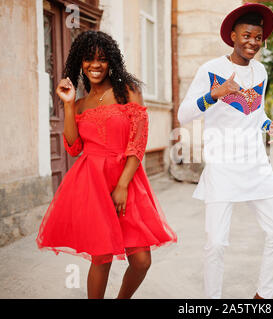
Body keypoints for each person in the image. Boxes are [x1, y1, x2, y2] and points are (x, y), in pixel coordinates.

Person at [36, 30, 177, 299]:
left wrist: (123, 184)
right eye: (89, 59)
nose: (95, 65)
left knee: (141, 260)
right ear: (80, 62)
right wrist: (67, 106)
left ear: (111, 61)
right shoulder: (78, 104)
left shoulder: (128, 92)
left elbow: (137, 142)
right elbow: (74, 147)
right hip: (91, 181)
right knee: (101, 256)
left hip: (127, 180)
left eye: (102, 59)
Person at [177, 3, 273, 299]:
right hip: (222, 167)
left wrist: (270, 127)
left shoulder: (260, 70)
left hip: (256, 166)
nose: (253, 42)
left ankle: (262, 296)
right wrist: (213, 95)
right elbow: (183, 115)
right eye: (247, 35)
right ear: (233, 36)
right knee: (216, 244)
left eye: (258, 38)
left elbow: (256, 113)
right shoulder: (211, 70)